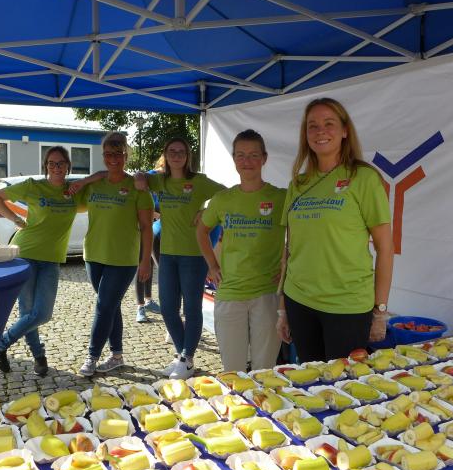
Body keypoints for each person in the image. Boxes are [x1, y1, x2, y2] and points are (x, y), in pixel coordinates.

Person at [275, 97, 394, 362]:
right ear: (305, 135)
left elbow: (386, 248)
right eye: (313, 126)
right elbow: (290, 249)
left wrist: (380, 311)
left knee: (344, 382)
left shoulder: (364, 178)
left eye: (329, 123)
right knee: (310, 379)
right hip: (299, 301)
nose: (321, 131)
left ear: (344, 131)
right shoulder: (298, 184)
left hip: (347, 306)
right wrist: (283, 308)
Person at [135, 137, 225, 379]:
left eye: (181, 151)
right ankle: (182, 355)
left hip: (194, 255)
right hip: (168, 254)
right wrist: (140, 176)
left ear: (188, 156)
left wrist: (208, 211)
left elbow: (229, 194)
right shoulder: (160, 180)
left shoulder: (199, 181)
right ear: (165, 154)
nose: (176, 155)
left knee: (192, 308)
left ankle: (187, 357)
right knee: (168, 308)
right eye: (172, 151)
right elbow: (138, 176)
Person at [197, 129, 286, 372]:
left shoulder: (281, 197)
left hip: (267, 293)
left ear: (264, 158)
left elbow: (300, 234)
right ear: (234, 159)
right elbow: (201, 231)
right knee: (232, 370)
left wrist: (288, 267)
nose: (247, 161)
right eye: (241, 155)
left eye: (254, 155)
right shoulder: (222, 199)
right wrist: (212, 265)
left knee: (264, 370)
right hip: (230, 292)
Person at [0, 146, 79, 377]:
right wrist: (14, 218)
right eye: (51, 163)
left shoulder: (74, 190)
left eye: (61, 163)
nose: (56, 167)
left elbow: (99, 181)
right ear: (45, 166)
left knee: (42, 313)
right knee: (28, 311)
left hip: (51, 260)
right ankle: (39, 355)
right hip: (26, 254)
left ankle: (0, 344)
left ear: (68, 166)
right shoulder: (33, 186)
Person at [71, 132, 154, 376]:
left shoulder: (138, 187)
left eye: (119, 153)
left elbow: (147, 227)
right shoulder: (95, 184)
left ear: (126, 156)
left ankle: (92, 356)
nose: (114, 159)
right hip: (93, 255)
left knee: (104, 305)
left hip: (123, 259)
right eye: (109, 154)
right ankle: (117, 355)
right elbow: (70, 197)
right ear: (103, 156)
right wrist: (87, 179)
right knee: (110, 305)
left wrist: (145, 261)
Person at [135, 157, 164, 323]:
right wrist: (155, 214)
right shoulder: (149, 177)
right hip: (144, 229)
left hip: (158, 230)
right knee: (142, 265)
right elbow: (139, 204)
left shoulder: (167, 182)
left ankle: (148, 300)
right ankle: (140, 307)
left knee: (150, 266)